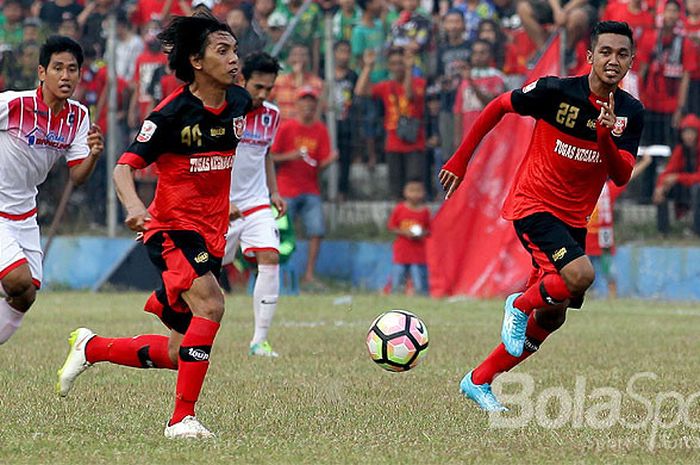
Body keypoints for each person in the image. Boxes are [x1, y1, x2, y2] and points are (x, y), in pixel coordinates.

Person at [56, 15, 251, 439]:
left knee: (183, 352)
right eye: (223, 51)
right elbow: (125, 167)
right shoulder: (170, 114)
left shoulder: (239, 102)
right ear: (197, 61)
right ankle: (181, 420)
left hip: (211, 233)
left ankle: (92, 347)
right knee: (213, 307)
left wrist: (230, 203)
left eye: (235, 50)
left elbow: (217, 166)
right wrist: (134, 207)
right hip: (170, 228)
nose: (234, 59)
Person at [439, 21, 644, 411]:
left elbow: (619, 176)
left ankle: (478, 380)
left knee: (552, 316)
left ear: (632, 60)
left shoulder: (630, 114)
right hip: (534, 204)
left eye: (622, 54)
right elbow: (499, 105)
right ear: (589, 57)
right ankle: (517, 305)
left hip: (573, 220)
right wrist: (461, 160)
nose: (613, 60)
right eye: (605, 52)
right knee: (579, 276)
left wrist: (604, 133)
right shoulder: (555, 91)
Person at [0, 35, 104, 345]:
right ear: (42, 72)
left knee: (25, 294)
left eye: (72, 69)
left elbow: (78, 177)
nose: (65, 75)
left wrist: (94, 155)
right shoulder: (14, 104)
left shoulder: (77, 117)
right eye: (57, 68)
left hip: (24, 213)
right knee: (15, 278)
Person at [222, 51, 286, 357]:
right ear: (241, 79)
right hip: (220, 207)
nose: (263, 95)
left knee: (270, 258)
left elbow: (266, 153)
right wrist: (220, 201)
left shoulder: (271, 115)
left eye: (268, 89)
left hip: (257, 202)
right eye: (257, 87)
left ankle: (259, 341)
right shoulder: (222, 110)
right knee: (205, 272)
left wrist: (274, 191)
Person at [271, 86, 336, 286]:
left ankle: (308, 275)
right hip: (286, 189)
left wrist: (330, 161)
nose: (308, 104)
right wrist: (292, 155)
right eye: (304, 100)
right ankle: (276, 274)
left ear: (316, 105)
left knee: (317, 230)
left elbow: (320, 164)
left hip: (310, 188)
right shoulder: (286, 127)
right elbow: (271, 156)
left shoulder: (321, 130)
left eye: (311, 101)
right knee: (278, 232)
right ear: (297, 104)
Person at [355, 47, 427, 199]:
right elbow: (360, 91)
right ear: (389, 66)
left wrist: (409, 70)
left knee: (413, 184)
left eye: (401, 63)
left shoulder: (419, 83)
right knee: (396, 187)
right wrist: (368, 66)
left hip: (414, 142)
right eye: (393, 64)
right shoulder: (386, 86)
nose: (397, 67)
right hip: (393, 141)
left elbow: (408, 95)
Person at [653, 114, 700, 235]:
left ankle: (696, 230)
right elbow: (668, 171)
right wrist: (660, 186)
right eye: (686, 132)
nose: (688, 136)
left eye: (692, 132)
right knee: (663, 187)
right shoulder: (680, 150)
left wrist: (677, 178)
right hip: (685, 185)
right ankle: (663, 231)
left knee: (697, 188)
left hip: (695, 187)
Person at [387, 179, 431, 294]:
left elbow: (429, 230)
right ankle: (395, 298)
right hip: (402, 252)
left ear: (423, 193)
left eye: (418, 191)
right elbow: (392, 226)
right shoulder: (400, 209)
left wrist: (421, 233)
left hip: (418, 254)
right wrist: (405, 233)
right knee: (398, 279)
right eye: (411, 191)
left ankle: (422, 297)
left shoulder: (425, 211)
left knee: (420, 281)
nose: (415, 194)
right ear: (405, 192)